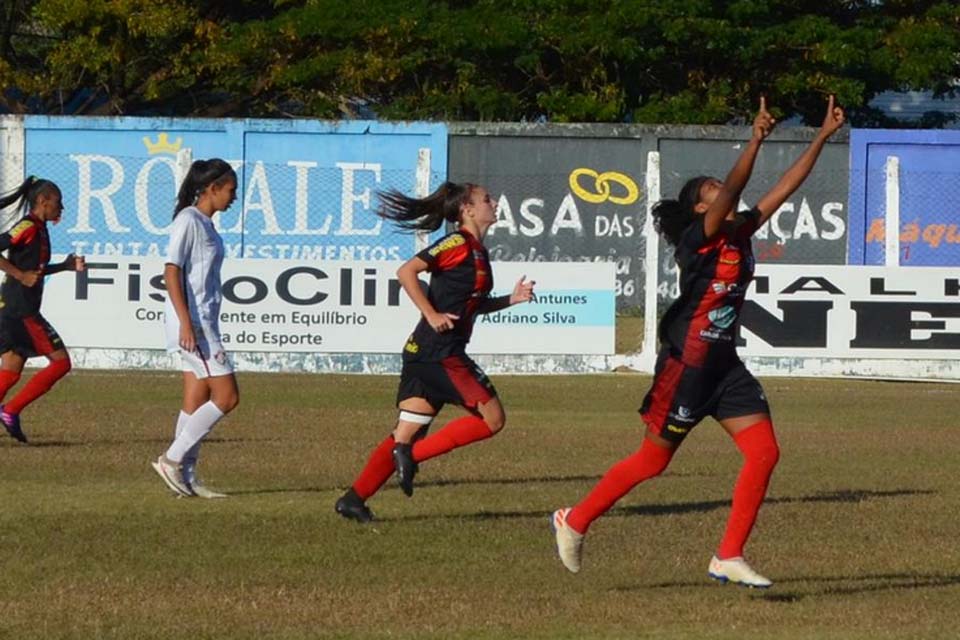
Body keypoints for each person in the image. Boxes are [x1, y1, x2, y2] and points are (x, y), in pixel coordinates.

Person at [551, 95, 845, 588]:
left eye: (718, 185)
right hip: (687, 364)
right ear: (701, 208)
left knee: (765, 452)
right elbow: (736, 187)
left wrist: (819, 137)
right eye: (711, 189)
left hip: (724, 366)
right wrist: (754, 140)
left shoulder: (741, 231)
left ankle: (728, 554)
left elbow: (785, 188)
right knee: (653, 460)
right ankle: (574, 520)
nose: (722, 191)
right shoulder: (700, 239)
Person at [335, 181, 535, 522]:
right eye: (486, 198)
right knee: (493, 420)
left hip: (424, 352)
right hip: (441, 353)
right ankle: (410, 455)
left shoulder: (476, 250)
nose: (494, 201)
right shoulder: (457, 243)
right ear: (467, 210)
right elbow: (406, 271)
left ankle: (353, 500)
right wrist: (430, 313)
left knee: (406, 432)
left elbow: (468, 306)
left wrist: (510, 300)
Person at [151, 159, 239, 499]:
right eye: (230, 190)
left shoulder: (205, 223)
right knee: (228, 397)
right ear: (212, 188)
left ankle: (185, 478)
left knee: (195, 398)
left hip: (201, 321)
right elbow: (171, 270)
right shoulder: (188, 220)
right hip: (195, 326)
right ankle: (172, 459)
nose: (234, 197)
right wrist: (187, 322)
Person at [0, 177, 85, 443]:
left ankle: (10, 411)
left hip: (16, 306)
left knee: (12, 367)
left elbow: (33, 270)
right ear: (43, 200)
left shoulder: (40, 227)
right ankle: (11, 411)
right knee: (61, 362)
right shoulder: (27, 226)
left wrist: (63, 266)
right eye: (58, 202)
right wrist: (20, 275)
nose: (62, 208)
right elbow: (23, 271)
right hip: (20, 308)